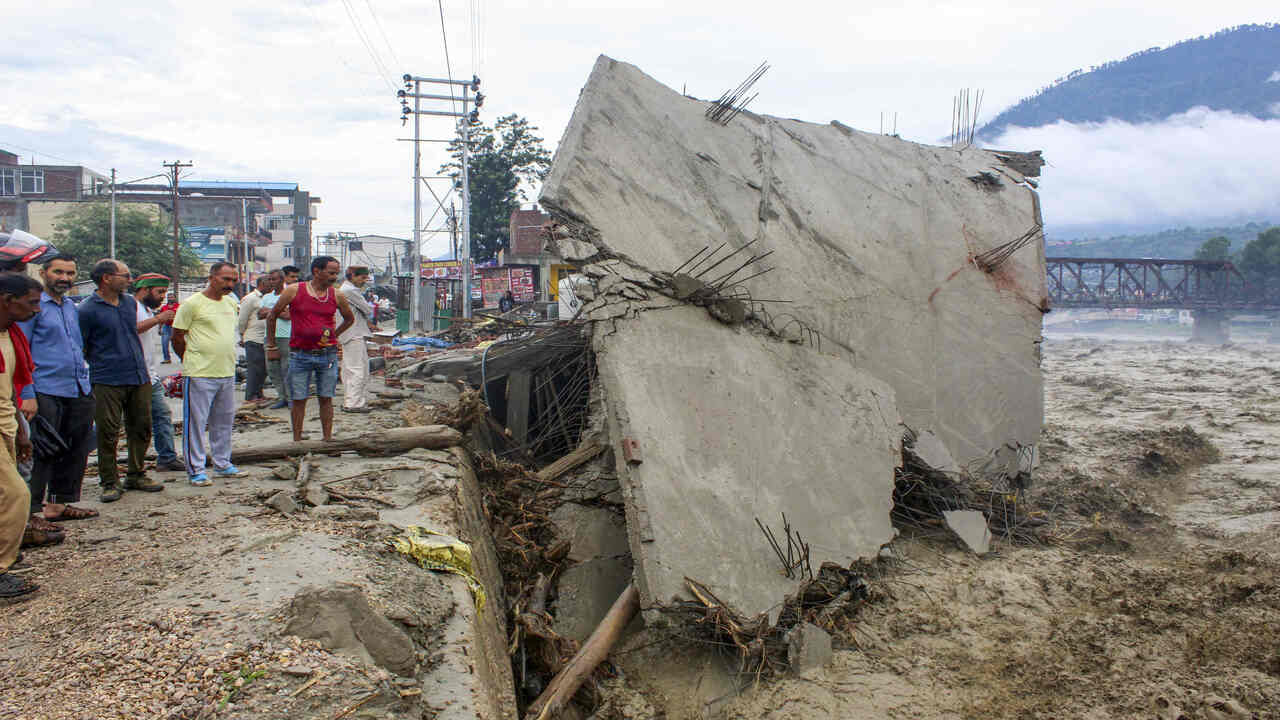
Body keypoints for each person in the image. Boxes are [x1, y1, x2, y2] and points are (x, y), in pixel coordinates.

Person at [18, 254, 99, 536]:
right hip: (45, 388)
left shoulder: (70, 306)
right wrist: (27, 392)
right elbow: (22, 350)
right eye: (58, 272)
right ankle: (32, 511)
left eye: (70, 273)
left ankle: (59, 504)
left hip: (77, 386)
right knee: (43, 449)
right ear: (43, 273)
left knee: (77, 446)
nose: (64, 278)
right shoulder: (32, 307)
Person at [78, 259, 161, 502]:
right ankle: (110, 481)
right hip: (106, 379)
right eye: (125, 275)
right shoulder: (87, 310)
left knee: (142, 426)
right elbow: (81, 347)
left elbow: (134, 332)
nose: (130, 279)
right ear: (106, 278)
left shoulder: (128, 302)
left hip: (138, 374)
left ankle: (136, 473)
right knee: (108, 432)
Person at [266, 256, 353, 442]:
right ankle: (297, 440)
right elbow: (272, 316)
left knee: (326, 397)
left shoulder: (336, 295)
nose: (334, 277)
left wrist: (334, 335)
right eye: (331, 273)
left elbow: (349, 319)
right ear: (316, 271)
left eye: (336, 273)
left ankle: (327, 439)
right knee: (298, 398)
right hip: (299, 354)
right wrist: (271, 346)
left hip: (327, 355)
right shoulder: (294, 291)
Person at [171, 263, 242, 487]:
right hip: (200, 373)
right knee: (196, 423)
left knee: (224, 421)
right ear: (211, 278)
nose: (229, 284)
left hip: (227, 371)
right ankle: (196, 469)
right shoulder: (192, 304)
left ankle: (222, 463)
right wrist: (190, 360)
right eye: (225, 279)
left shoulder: (232, 302)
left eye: (233, 280)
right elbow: (177, 336)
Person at [0, 273, 41, 598]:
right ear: (7, 300)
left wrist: (21, 432)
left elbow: (10, 390)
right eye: (31, 303)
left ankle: (7, 558)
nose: (36, 310)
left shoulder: (9, 335)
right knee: (17, 495)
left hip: (8, 426)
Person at [133, 273, 183, 473]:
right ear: (145, 290)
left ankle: (167, 458)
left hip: (149, 375)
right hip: (134, 376)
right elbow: (131, 329)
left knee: (162, 415)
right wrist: (158, 319)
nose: (163, 296)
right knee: (134, 422)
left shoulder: (145, 309)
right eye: (159, 292)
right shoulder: (131, 306)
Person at [337, 266, 376, 414]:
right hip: (354, 333)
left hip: (349, 333)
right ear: (352, 275)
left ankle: (350, 400)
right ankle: (354, 403)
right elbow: (368, 310)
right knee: (358, 370)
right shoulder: (349, 290)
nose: (364, 281)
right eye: (362, 278)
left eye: (366, 278)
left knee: (349, 369)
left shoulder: (345, 289)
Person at [259, 266, 298, 409]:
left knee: (287, 368)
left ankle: (291, 398)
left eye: (273, 279)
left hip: (286, 336)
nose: (271, 282)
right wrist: (277, 311)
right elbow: (259, 314)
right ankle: (282, 397)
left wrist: (270, 312)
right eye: (269, 279)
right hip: (269, 337)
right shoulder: (266, 297)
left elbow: (289, 316)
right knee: (273, 369)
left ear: (282, 279)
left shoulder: (290, 295)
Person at [237, 275, 272, 406]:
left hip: (265, 338)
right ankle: (250, 396)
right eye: (269, 282)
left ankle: (259, 393)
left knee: (263, 368)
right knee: (254, 368)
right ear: (262, 283)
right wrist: (242, 336)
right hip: (253, 337)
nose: (271, 285)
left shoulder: (267, 298)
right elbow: (242, 320)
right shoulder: (250, 298)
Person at [159, 292, 179, 363]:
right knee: (164, 343)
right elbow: (160, 318)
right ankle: (167, 359)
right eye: (169, 297)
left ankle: (182, 358)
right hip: (166, 327)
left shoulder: (179, 306)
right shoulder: (164, 307)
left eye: (171, 297)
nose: (170, 299)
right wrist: (160, 328)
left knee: (177, 344)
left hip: (176, 327)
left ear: (174, 298)